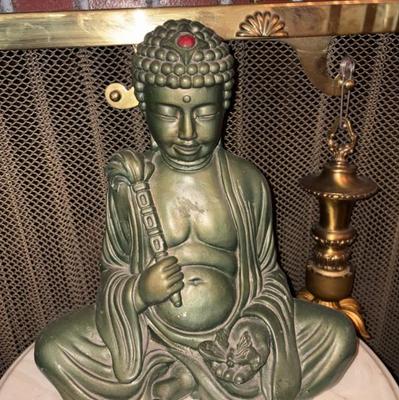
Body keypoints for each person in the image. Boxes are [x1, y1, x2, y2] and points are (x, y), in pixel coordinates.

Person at [34, 19, 356, 400]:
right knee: (54, 349)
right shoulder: (132, 183)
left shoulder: (246, 182)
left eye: (203, 113)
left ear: (224, 104)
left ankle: (185, 379)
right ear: (145, 106)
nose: (187, 132)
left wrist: (258, 326)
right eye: (169, 114)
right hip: (150, 334)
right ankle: (190, 375)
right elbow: (114, 269)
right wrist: (138, 292)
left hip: (234, 327)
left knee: (338, 336)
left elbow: (268, 275)